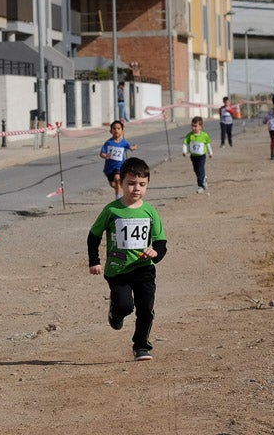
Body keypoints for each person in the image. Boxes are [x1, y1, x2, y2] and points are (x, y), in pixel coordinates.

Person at [87, 157, 168, 362]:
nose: (136, 188)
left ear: (147, 184)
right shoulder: (111, 210)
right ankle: (116, 312)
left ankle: (141, 346)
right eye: (131, 183)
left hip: (144, 268)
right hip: (118, 270)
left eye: (142, 184)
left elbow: (161, 241)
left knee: (146, 310)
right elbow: (93, 236)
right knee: (125, 306)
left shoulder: (150, 211)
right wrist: (94, 261)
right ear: (121, 182)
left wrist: (156, 253)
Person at [100, 119, 136, 198]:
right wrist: (105, 156)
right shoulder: (108, 143)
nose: (116, 130)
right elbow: (101, 153)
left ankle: (117, 197)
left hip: (119, 166)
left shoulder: (123, 142)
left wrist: (133, 147)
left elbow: (130, 147)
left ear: (122, 131)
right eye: (114, 128)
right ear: (110, 131)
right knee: (113, 184)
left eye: (118, 128)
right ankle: (120, 189)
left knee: (117, 178)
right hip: (109, 167)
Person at [182, 115, 213, 193]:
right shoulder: (189, 135)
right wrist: (184, 151)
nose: (193, 128)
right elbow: (185, 143)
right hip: (193, 156)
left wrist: (210, 153)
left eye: (195, 126)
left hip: (201, 156)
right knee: (196, 170)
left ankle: (200, 186)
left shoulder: (204, 135)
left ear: (200, 127)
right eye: (192, 126)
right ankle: (204, 178)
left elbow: (208, 144)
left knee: (200, 169)